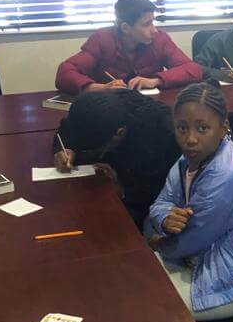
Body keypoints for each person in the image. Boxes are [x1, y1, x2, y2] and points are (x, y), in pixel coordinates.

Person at [146, 83, 233, 320]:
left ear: (224, 128)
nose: (190, 139)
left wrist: (157, 242)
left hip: (230, 281)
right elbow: (162, 201)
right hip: (197, 258)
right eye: (182, 128)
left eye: (203, 128)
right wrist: (164, 219)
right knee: (132, 279)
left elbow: (190, 240)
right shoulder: (190, 158)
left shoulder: (227, 174)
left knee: (143, 306)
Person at [53, 89, 180, 228]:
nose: (95, 156)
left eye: (97, 151)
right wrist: (66, 149)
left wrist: (122, 189)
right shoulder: (98, 105)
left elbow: (154, 196)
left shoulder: (161, 138)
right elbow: (66, 130)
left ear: (119, 133)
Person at [55, 0, 202, 94]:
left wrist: (155, 81)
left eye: (153, 22)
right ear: (126, 28)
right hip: (109, 110)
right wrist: (100, 88)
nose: (154, 30)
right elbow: (65, 73)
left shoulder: (159, 39)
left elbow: (193, 70)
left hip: (149, 107)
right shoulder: (102, 39)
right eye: (147, 24)